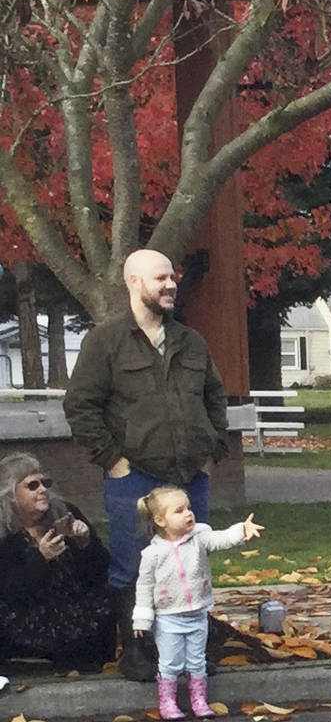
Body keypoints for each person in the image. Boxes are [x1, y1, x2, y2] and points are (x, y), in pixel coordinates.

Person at [62, 248, 232, 593]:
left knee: (190, 570)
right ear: (134, 282)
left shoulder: (191, 342)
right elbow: (80, 405)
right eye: (161, 279)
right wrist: (113, 462)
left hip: (190, 478)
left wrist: (211, 451)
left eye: (172, 277)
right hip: (134, 480)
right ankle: (135, 647)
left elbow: (214, 397)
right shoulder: (105, 341)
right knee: (133, 573)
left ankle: (187, 644)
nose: (171, 285)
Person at [131, 486, 261, 722]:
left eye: (188, 508)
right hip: (168, 617)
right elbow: (144, 587)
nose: (188, 514)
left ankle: (198, 700)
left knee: (197, 660)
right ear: (160, 520)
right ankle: (168, 702)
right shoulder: (152, 554)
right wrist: (142, 618)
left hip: (197, 614)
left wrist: (241, 530)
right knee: (170, 662)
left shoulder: (199, 539)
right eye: (179, 511)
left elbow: (221, 539)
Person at [0, 452, 119, 671]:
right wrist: (41, 559)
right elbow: (10, 591)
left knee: (111, 595)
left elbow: (99, 570)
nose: (43, 490)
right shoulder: (5, 534)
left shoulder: (66, 512)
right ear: (10, 494)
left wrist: (85, 543)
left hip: (73, 606)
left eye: (44, 483)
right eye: (32, 485)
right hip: (28, 614)